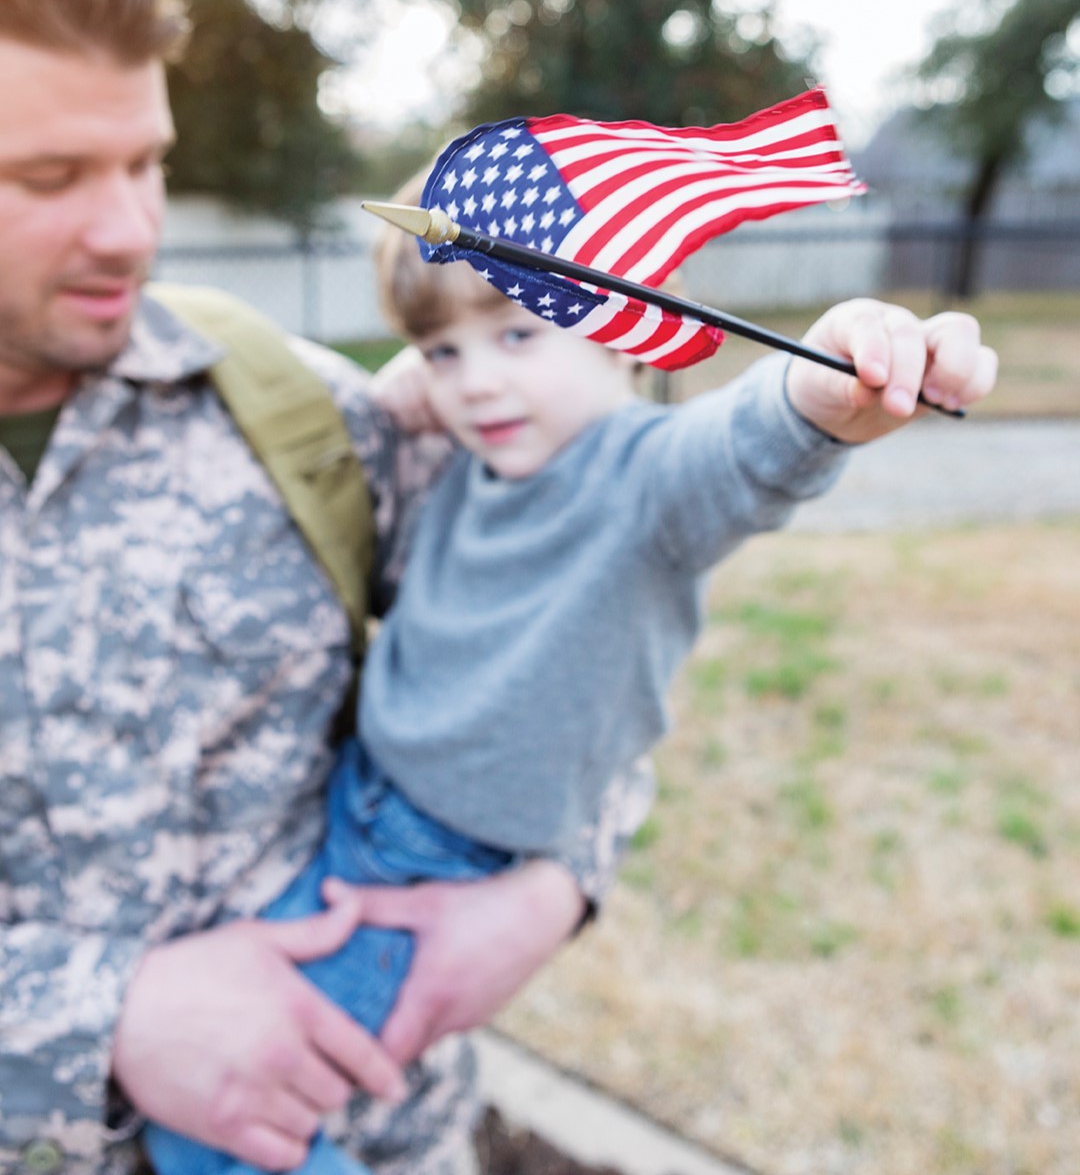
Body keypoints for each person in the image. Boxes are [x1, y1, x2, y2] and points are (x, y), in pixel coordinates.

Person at [0, 0, 647, 1175]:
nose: (130, 229)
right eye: (54, 173)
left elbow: (576, 627)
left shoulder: (295, 414)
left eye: (146, 161)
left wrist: (551, 888)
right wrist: (95, 1023)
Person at [144, 221, 997, 1175]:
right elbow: (419, 398)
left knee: (225, 1122)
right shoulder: (489, 458)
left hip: (430, 868)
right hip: (359, 813)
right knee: (237, 1066)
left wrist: (821, 393)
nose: (476, 382)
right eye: (444, 351)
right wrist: (421, 384)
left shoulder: (643, 481)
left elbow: (740, 449)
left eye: (516, 336)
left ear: (623, 326)